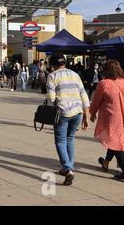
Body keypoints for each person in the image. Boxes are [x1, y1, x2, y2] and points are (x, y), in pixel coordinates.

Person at [46, 52, 90, 186]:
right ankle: (69, 166)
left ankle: (68, 169)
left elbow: (51, 98)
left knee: (60, 141)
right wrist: (86, 115)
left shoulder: (52, 76)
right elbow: (84, 95)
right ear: (64, 62)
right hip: (77, 112)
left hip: (62, 113)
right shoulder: (75, 74)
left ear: (52, 65)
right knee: (70, 139)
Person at [89, 60, 124, 181]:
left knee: (116, 142)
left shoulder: (104, 83)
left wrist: (92, 113)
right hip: (122, 116)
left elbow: (96, 101)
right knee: (116, 140)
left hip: (112, 117)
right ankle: (106, 162)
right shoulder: (123, 82)